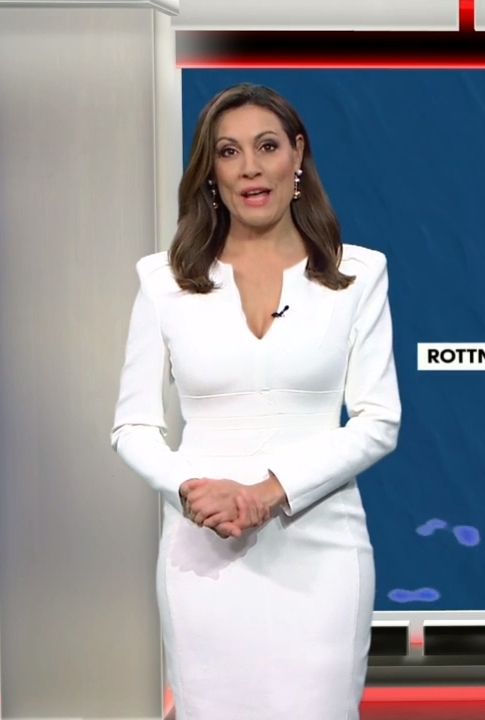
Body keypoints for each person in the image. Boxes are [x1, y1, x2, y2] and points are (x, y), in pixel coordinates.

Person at [109, 83, 401, 719]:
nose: (249, 167)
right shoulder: (163, 281)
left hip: (320, 546)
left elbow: (378, 422)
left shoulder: (358, 275)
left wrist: (270, 492)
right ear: (211, 171)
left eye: (267, 146)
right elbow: (132, 425)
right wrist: (191, 491)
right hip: (203, 544)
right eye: (229, 151)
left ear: (297, 155)